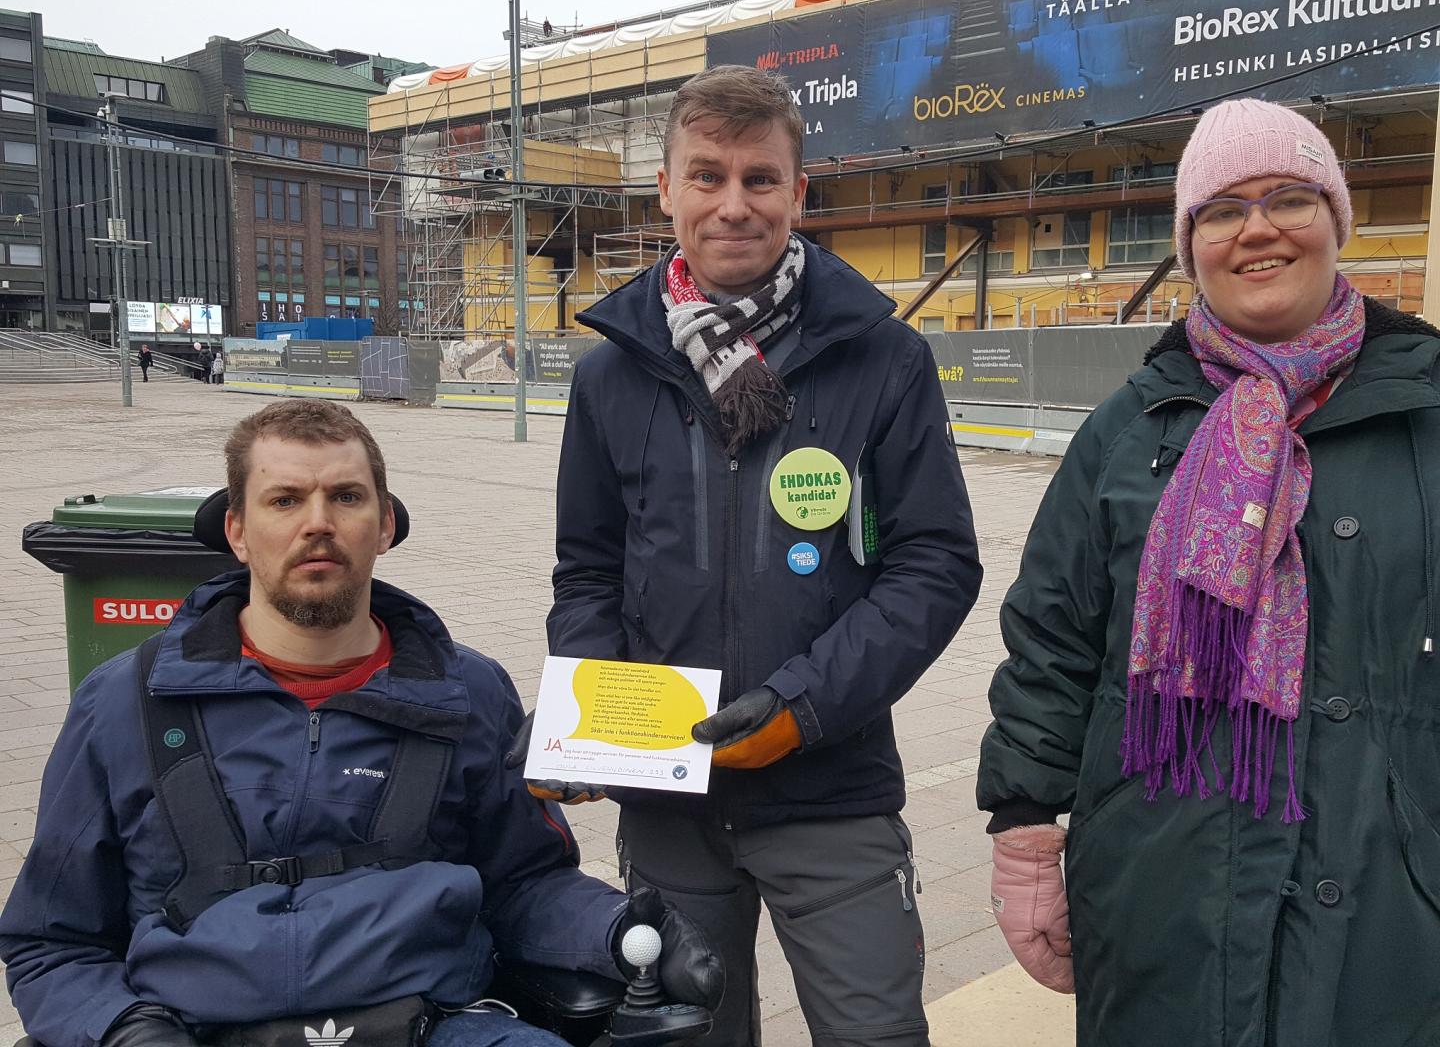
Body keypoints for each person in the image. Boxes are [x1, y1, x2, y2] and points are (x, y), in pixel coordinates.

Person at [0, 399, 721, 1047]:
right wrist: (122, 1029)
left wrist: (622, 929)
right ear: (238, 532)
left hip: (438, 1022)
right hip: (195, 1028)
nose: (317, 522)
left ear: (385, 527)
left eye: (345, 497)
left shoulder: (469, 692)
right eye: (285, 499)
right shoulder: (122, 703)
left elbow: (523, 884)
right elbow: (50, 942)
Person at [532, 65, 983, 1045]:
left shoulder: (883, 359)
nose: (733, 204)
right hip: (670, 805)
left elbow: (935, 564)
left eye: (759, 178)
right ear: (667, 189)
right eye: (707, 176)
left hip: (833, 790)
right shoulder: (611, 376)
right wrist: (589, 718)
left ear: (797, 192)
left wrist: (802, 708)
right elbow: (589, 571)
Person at [977, 98, 1440, 1046]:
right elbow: (1053, 641)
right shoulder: (1130, 426)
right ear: (1192, 246)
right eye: (1223, 210)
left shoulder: (1428, 413)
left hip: (1394, 908)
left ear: (1336, 221)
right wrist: (1024, 832)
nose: (1257, 229)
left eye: (1289, 198)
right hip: (1163, 899)